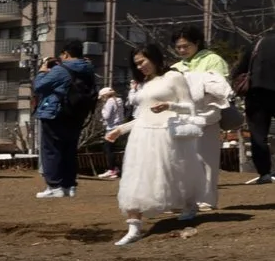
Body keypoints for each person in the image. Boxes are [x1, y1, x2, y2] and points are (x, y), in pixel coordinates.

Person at [107, 43, 212, 246]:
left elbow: (190, 107)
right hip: (141, 137)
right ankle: (134, 227)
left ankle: (189, 206)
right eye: (136, 64)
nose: (140, 67)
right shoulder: (144, 84)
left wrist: (169, 105)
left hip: (166, 135)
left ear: (153, 57)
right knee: (136, 180)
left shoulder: (173, 77)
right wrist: (120, 129)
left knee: (177, 173)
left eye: (142, 61)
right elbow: (144, 115)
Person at [171, 27, 233, 207]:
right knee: (181, 160)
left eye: (186, 46)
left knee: (206, 159)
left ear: (197, 43)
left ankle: (206, 200)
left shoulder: (213, 59)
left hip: (208, 117)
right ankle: (183, 200)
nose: (182, 50)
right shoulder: (177, 66)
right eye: (178, 47)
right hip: (184, 117)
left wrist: (191, 80)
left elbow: (220, 86)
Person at [31, 44, 95, 199]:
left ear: (66, 54)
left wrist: (42, 71)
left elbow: (38, 86)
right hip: (77, 114)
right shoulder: (89, 69)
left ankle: (54, 186)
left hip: (56, 113)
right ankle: (69, 186)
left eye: (61, 56)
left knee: (52, 150)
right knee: (69, 150)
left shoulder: (61, 70)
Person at [239, 24, 275, 185]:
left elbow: (240, 68)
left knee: (258, 135)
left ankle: (264, 173)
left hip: (256, 94)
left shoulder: (258, 43)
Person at [94, 86, 127, 180]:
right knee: (110, 148)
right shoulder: (119, 100)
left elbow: (106, 116)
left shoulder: (109, 102)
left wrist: (102, 110)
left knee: (108, 149)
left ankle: (112, 169)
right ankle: (114, 169)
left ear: (105, 95)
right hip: (119, 127)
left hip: (111, 128)